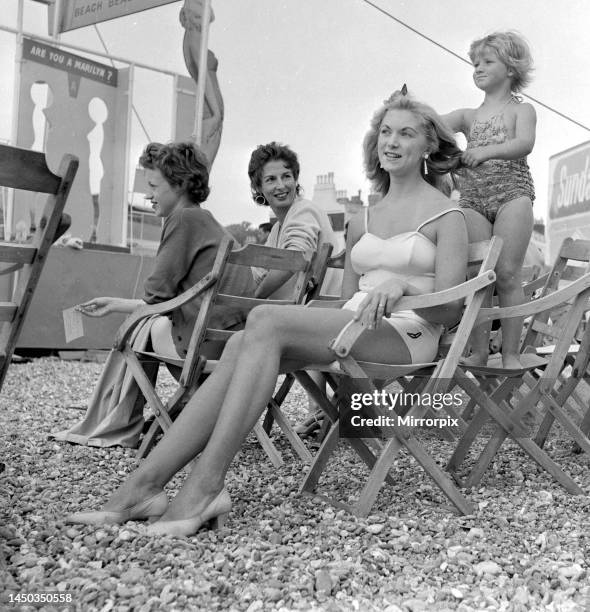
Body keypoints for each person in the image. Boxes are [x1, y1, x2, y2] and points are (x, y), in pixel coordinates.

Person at [66, 89, 468, 536]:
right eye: (386, 132)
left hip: (408, 334)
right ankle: (145, 484)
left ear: (428, 144)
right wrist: (312, 318)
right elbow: (345, 300)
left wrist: (400, 285)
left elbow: (450, 308)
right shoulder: (362, 219)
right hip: (354, 326)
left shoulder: (447, 215)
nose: (391, 142)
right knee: (243, 341)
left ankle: (204, 487)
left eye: (406, 133)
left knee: (264, 321)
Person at [52, 141, 253, 448]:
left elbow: (156, 296)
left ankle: (120, 420)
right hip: (232, 343)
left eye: (154, 186)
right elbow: (168, 300)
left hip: (201, 348)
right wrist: (115, 304)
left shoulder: (183, 219)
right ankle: (133, 417)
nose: (149, 195)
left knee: (138, 328)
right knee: (143, 321)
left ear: (180, 184)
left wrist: (124, 311)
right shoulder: (208, 221)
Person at [442, 31, 536, 369]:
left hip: (513, 194)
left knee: (508, 274)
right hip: (473, 198)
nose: (478, 68)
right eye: (475, 63)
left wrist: (482, 151)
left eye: (487, 61)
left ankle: (509, 353)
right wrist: (405, 110)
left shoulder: (523, 110)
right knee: (478, 277)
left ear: (510, 69)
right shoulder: (468, 115)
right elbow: (435, 126)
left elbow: (524, 144)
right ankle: (480, 351)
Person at [248, 142, 342, 299]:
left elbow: (296, 256)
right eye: (271, 179)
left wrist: (256, 295)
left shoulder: (304, 210)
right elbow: (258, 273)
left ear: (295, 179)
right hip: (299, 311)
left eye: (286, 176)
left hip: (314, 312)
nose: (281, 185)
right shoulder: (278, 229)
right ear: (259, 188)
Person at [180, 0, 224, 169]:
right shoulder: (193, 37)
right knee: (203, 167)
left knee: (204, 165)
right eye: (198, 16)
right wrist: (217, 113)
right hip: (210, 106)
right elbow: (204, 76)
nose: (202, 21)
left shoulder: (192, 37)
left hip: (211, 105)